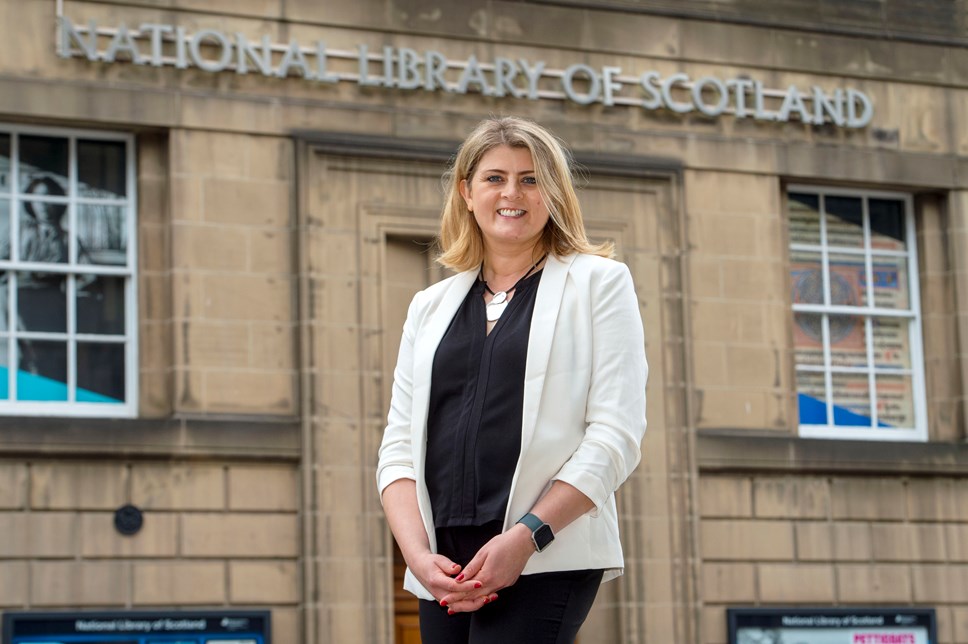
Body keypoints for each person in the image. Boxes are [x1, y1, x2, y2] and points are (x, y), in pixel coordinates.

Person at [376, 116, 648, 643]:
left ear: (554, 193)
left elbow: (615, 435)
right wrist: (416, 556)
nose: (512, 193)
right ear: (467, 193)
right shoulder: (429, 307)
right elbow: (397, 449)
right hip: (441, 566)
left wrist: (526, 538)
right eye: (495, 178)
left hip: (546, 552)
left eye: (530, 179)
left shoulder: (599, 284)